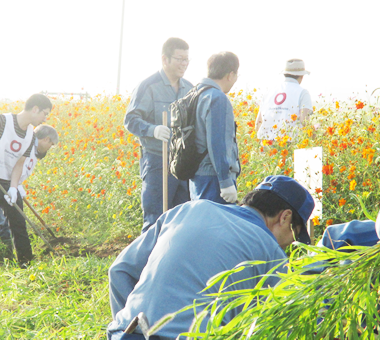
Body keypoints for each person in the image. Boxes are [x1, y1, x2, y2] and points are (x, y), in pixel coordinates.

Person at [107, 175, 314, 340]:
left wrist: (136, 328)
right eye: (294, 234)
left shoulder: (187, 209)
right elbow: (287, 325)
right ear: (285, 217)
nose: (288, 245)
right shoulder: (269, 251)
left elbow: (119, 270)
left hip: (124, 332)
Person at [0, 93, 52, 267]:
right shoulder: (3, 121)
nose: (45, 118)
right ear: (35, 109)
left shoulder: (30, 135)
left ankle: (26, 262)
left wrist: (14, 188)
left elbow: (20, 163)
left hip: (7, 182)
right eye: (45, 113)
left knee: (18, 222)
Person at [124, 37, 193, 233]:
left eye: (186, 60)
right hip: (157, 159)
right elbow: (131, 120)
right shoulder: (149, 86)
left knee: (182, 217)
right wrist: (152, 130)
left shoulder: (189, 88)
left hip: (182, 162)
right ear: (165, 59)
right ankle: (149, 261)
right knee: (155, 218)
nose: (184, 64)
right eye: (179, 59)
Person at [190, 52, 241, 204]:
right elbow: (218, 142)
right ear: (230, 75)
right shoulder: (217, 98)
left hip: (196, 177)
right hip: (214, 179)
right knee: (216, 225)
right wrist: (225, 181)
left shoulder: (195, 94)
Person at [255, 59, 313, 141]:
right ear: (301, 76)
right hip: (288, 144)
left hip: (265, 142)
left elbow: (258, 123)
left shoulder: (269, 92)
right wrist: (315, 137)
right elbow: (304, 121)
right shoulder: (302, 93)